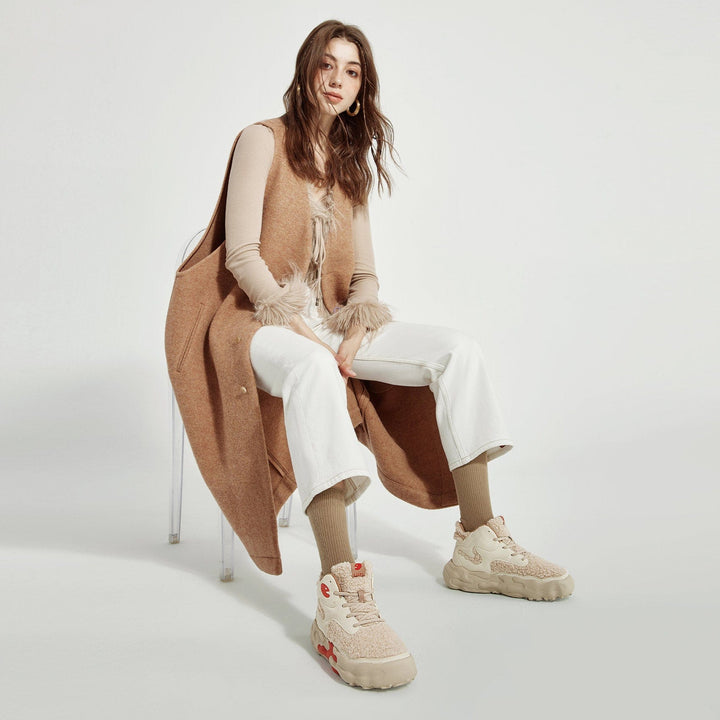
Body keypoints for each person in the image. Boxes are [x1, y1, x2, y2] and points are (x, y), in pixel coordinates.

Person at [223, 19, 574, 690]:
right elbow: (241, 255)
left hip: (333, 319)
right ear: (305, 70)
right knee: (312, 368)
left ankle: (478, 542)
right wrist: (302, 331)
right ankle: (340, 593)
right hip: (256, 320)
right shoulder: (260, 140)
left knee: (457, 351)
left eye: (352, 71)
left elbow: (365, 277)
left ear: (363, 88)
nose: (337, 79)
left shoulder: (349, 163)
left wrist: (356, 329)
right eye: (327, 65)